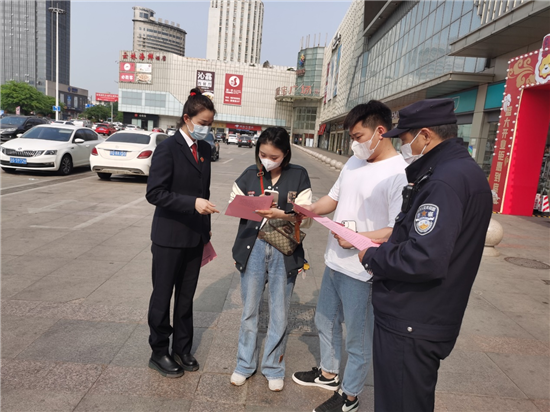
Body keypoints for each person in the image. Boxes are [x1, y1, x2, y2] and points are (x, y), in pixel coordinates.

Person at [359, 98, 493, 412]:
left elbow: (425, 257)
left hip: (413, 318)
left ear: (426, 136)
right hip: (428, 315)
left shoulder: (444, 181)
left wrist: (372, 256)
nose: (404, 147)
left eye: (405, 139)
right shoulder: (460, 171)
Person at [293, 101, 408, 412]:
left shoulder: (398, 173)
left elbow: (396, 229)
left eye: (358, 136)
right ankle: (329, 373)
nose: (354, 144)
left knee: (357, 338)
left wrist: (358, 239)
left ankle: (350, 396)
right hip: (334, 261)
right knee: (325, 320)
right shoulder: (354, 163)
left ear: (380, 131)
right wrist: (308, 210)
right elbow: (334, 198)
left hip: (364, 269)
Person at [229, 127, 313, 392]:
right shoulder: (249, 175)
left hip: (283, 251)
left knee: (279, 313)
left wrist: (283, 214)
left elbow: (307, 215)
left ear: (285, 155)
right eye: (262, 154)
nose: (267, 159)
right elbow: (234, 203)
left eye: (273, 156)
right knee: (250, 310)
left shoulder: (298, 176)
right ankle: (244, 364)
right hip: (252, 249)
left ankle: (273, 367)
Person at [146, 88, 219, 378]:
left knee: (186, 297)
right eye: (203, 123)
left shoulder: (203, 150)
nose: (206, 129)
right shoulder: (167, 148)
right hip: (168, 237)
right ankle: (159, 351)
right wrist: (192, 204)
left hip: (194, 236)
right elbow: (155, 193)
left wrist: (207, 229)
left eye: (210, 124)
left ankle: (182, 348)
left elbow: (205, 191)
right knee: (163, 295)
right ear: (187, 119)